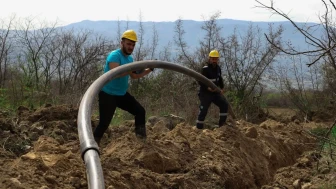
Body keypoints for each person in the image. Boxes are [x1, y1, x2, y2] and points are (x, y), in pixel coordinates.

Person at [93, 29, 154, 144]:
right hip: (108, 94)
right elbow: (115, 74)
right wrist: (132, 68)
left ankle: (141, 142)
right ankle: (92, 147)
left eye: (133, 45)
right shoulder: (114, 56)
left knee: (140, 111)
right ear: (122, 43)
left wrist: (149, 70)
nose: (131, 47)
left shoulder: (130, 59)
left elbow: (134, 76)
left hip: (121, 94)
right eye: (128, 44)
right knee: (104, 123)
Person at [196, 50, 229, 129]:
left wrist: (222, 88)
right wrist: (208, 88)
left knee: (224, 104)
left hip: (215, 93)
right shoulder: (205, 69)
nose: (214, 60)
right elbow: (200, 81)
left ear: (218, 59)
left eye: (216, 59)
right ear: (209, 59)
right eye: (213, 59)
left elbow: (219, 79)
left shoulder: (218, 68)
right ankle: (198, 129)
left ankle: (222, 126)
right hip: (205, 93)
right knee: (203, 110)